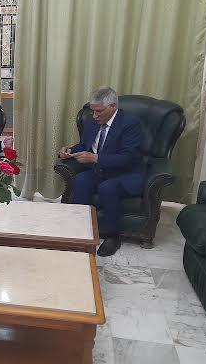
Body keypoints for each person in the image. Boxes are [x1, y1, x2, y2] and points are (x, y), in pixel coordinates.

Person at [58, 87, 144, 257]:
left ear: (113, 106)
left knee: (107, 188)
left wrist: (96, 158)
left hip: (125, 173)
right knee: (80, 180)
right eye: (93, 111)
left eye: (99, 111)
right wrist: (69, 151)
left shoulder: (130, 124)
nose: (95, 115)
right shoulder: (93, 121)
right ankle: (79, 228)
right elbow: (85, 145)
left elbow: (129, 158)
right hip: (100, 170)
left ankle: (113, 236)